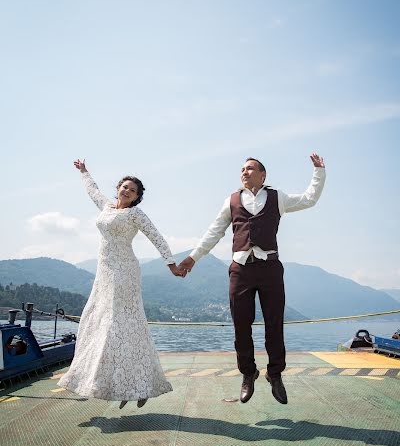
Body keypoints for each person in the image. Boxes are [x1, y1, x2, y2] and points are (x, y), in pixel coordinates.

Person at [178, 153, 326, 405]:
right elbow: (214, 231)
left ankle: (275, 373)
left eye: (250, 168)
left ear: (263, 174)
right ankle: (248, 373)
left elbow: (309, 199)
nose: (244, 172)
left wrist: (318, 172)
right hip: (240, 269)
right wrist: (193, 258)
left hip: (270, 268)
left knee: (274, 324)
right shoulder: (232, 200)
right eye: (242, 169)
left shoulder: (278, 197)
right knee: (241, 325)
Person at [58, 160, 184, 409]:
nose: (127, 191)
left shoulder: (135, 214)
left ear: (137, 198)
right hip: (104, 273)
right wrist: (84, 172)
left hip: (125, 272)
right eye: (125, 187)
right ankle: (123, 383)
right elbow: (92, 190)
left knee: (123, 325)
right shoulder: (105, 207)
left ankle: (140, 383)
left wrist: (171, 264)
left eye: (132, 190)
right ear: (118, 188)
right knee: (96, 322)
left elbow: (156, 236)